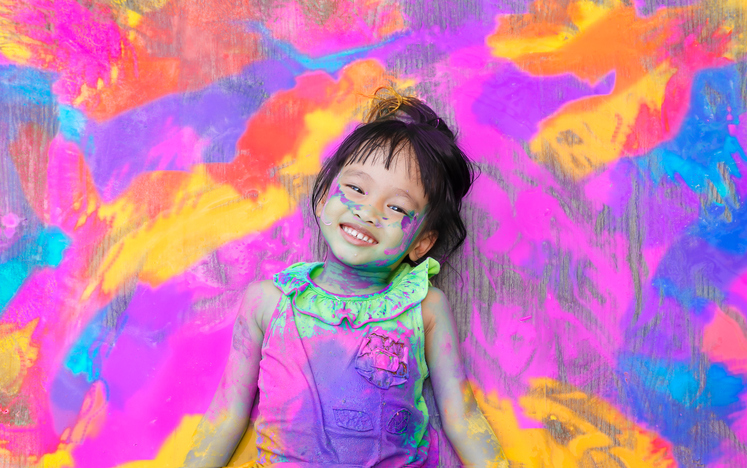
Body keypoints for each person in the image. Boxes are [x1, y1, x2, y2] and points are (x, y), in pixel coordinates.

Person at [183, 89, 507, 468]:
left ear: (422, 242)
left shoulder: (424, 308)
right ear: (323, 199)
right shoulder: (268, 302)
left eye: (397, 207)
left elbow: (462, 416)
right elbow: (227, 414)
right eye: (355, 188)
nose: (368, 212)